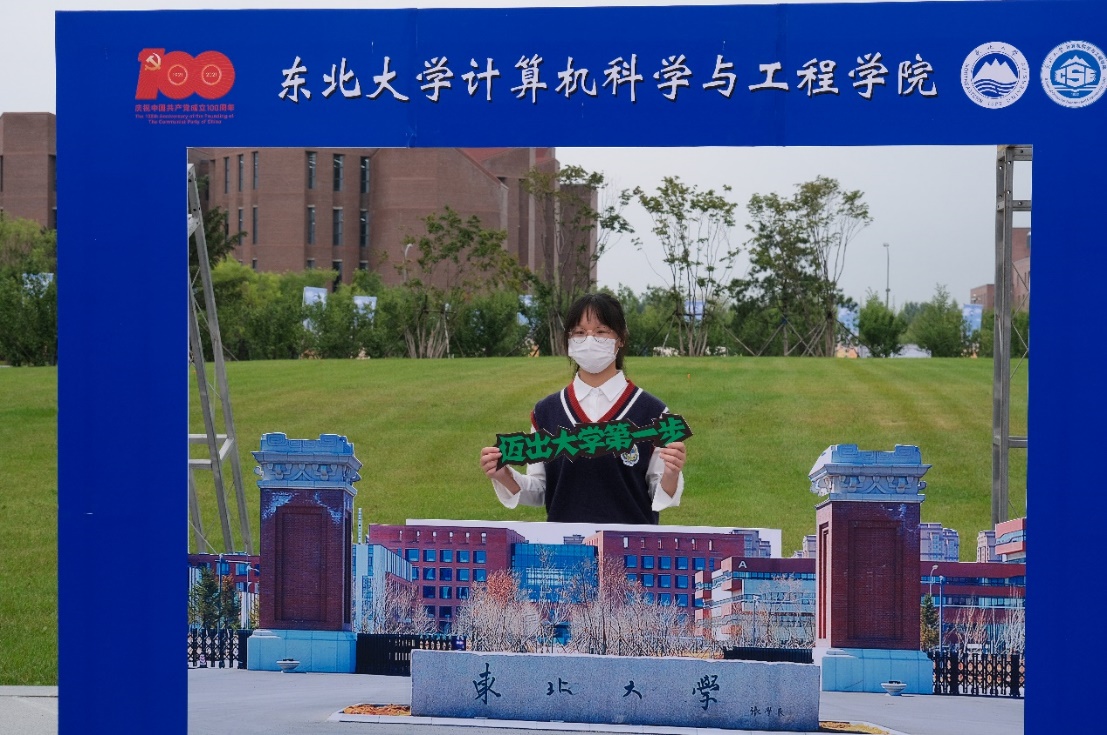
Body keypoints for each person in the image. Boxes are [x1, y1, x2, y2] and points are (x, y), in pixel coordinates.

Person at [479, 292, 686, 524]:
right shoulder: (546, 412)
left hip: (630, 544)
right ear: (568, 340)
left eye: (601, 331)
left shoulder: (653, 412)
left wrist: (672, 473)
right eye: (579, 332)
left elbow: (660, 495)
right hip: (564, 544)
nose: (589, 340)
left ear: (621, 338)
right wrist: (504, 475)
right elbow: (540, 489)